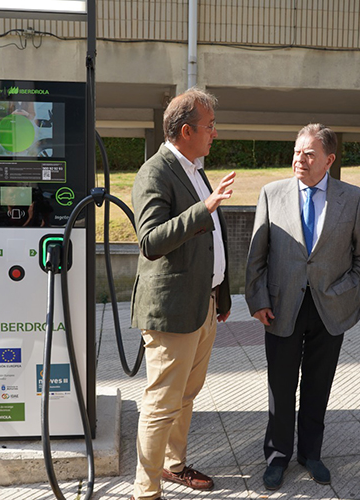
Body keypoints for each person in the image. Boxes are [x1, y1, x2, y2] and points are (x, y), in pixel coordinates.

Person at [245, 123, 360, 491]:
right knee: (280, 388)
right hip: (282, 306)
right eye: (297, 151)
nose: (300, 159)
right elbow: (257, 255)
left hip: (329, 308)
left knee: (318, 385)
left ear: (329, 160)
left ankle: (311, 453)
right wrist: (257, 300)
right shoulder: (272, 193)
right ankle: (277, 457)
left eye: (309, 153)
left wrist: (345, 289)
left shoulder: (352, 197)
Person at [130, 88, 235, 500]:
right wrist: (203, 207)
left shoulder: (193, 168)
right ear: (186, 130)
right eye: (210, 127)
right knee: (161, 402)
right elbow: (151, 240)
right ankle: (146, 489)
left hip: (202, 305)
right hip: (172, 311)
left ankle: (172, 466)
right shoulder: (154, 172)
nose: (215, 133)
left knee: (185, 396)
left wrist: (220, 297)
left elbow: (213, 242)